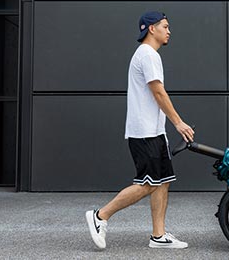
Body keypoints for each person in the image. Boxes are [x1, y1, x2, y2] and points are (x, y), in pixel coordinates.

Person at [86, 11, 195, 250]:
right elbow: (158, 92)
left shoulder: (149, 55)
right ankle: (100, 216)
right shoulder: (147, 55)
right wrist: (178, 122)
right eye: (165, 26)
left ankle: (158, 236)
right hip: (144, 132)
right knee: (148, 183)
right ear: (151, 28)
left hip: (154, 132)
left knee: (163, 181)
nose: (169, 31)